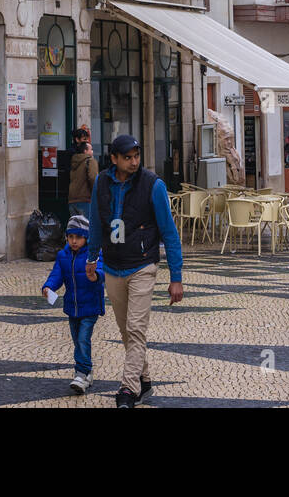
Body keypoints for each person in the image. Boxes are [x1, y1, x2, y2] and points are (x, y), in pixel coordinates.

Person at [86, 134, 184, 408]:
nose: (133, 162)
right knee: (126, 331)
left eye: (136, 156)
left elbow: (170, 233)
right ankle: (145, 380)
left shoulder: (153, 185)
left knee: (136, 328)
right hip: (113, 266)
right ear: (114, 159)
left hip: (143, 264)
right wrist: (92, 257)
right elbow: (96, 223)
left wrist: (176, 278)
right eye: (127, 157)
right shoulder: (102, 184)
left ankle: (127, 390)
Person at [43, 215, 106, 394]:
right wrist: (48, 287)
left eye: (78, 237)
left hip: (91, 306)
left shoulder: (94, 254)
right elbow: (57, 275)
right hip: (72, 307)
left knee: (83, 339)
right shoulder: (63, 255)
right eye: (71, 237)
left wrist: (96, 276)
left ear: (86, 237)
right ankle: (87, 372)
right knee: (77, 341)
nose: (74, 241)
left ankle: (82, 373)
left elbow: (102, 270)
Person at [67, 128, 98, 218]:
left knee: (76, 228)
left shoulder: (74, 159)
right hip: (85, 198)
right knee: (87, 227)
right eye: (91, 149)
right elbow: (93, 178)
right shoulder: (90, 160)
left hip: (72, 199)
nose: (92, 151)